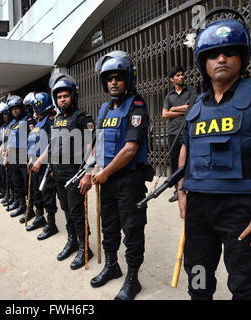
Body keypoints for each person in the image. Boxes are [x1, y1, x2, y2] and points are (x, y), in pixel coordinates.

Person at [178, 13, 251, 300]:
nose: (221, 59)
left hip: (240, 208)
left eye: (230, 52)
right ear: (203, 61)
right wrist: (181, 189)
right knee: (198, 278)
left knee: (244, 283)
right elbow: (187, 146)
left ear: (241, 57)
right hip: (198, 209)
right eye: (213, 54)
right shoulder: (195, 104)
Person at [79, 51, 151, 300]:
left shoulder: (138, 106)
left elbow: (130, 149)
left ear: (128, 79)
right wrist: (89, 172)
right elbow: (98, 145)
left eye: (118, 78)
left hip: (129, 180)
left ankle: (133, 278)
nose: (113, 82)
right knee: (108, 225)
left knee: (132, 228)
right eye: (109, 78)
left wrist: (105, 173)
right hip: (106, 179)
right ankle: (112, 265)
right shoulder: (104, 110)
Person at [45, 73, 95, 269]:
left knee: (76, 211)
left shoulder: (83, 118)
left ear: (73, 96)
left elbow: (92, 146)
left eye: (65, 96)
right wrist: (51, 167)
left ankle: (85, 248)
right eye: (59, 97)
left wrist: (88, 173)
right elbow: (53, 144)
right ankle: (72, 240)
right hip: (58, 173)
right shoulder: (56, 119)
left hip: (76, 174)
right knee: (66, 209)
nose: (62, 100)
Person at [162, 65, 197, 202]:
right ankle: (178, 190)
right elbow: (164, 114)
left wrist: (175, 108)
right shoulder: (169, 96)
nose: (181, 77)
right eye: (177, 75)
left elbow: (193, 106)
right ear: (172, 79)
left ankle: (192, 189)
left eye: (182, 74)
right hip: (173, 132)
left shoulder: (191, 90)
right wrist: (184, 110)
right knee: (175, 162)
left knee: (191, 160)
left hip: (189, 131)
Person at [29, 92, 59, 239]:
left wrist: (40, 160)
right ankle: (40, 217)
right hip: (34, 164)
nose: (33, 110)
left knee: (48, 195)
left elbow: (52, 142)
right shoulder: (39, 121)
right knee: (37, 193)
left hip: (45, 165)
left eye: (34, 107)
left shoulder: (51, 119)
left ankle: (51, 224)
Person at [5, 95, 36, 223]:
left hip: (24, 156)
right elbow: (10, 140)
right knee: (17, 185)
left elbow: (34, 139)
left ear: (21, 108)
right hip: (13, 157)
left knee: (27, 185)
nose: (15, 111)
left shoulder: (29, 120)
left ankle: (30, 211)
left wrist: (32, 158)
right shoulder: (13, 123)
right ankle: (21, 206)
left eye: (17, 108)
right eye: (12, 109)